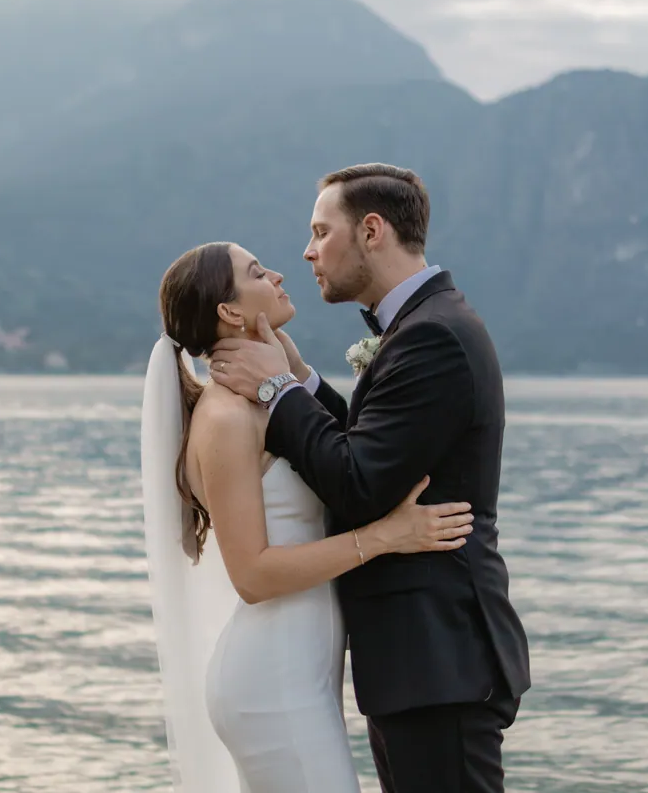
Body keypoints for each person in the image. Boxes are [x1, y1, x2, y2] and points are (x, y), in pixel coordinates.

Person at [209, 163, 531, 793]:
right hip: (420, 662)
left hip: (441, 660)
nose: (307, 252)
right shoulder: (424, 325)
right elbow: (372, 447)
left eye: (321, 232)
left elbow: (358, 484)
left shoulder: (432, 336)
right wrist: (300, 384)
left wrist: (276, 391)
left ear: (373, 230)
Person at [142, 240, 475, 793]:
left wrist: (293, 373)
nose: (277, 272)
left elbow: (346, 460)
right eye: (255, 272)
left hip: (301, 670)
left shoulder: (265, 402)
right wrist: (384, 537)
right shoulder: (226, 416)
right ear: (229, 311)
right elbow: (251, 576)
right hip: (271, 682)